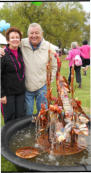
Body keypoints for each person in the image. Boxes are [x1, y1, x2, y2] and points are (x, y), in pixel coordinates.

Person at [0, 23, 58, 117]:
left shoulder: (49, 47)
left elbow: (54, 66)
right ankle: (29, 131)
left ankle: (43, 131)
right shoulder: (22, 43)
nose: (34, 35)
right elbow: (11, 45)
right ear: (28, 34)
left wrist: (48, 82)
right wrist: (1, 50)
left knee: (43, 115)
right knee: (27, 116)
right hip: (26, 88)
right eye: (31, 33)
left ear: (42, 33)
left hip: (42, 87)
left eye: (37, 33)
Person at [0, 27, 25, 124]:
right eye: (12, 37)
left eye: (17, 37)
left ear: (20, 40)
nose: (15, 39)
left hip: (20, 93)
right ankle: (9, 139)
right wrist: (1, 94)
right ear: (7, 40)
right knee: (10, 120)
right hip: (7, 94)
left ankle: (19, 139)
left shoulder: (21, 52)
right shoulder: (3, 54)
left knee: (20, 119)